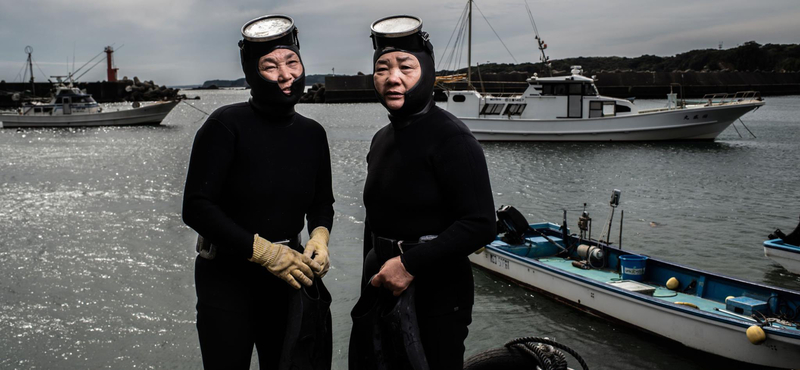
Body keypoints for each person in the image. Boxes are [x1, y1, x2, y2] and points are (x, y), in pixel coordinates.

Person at [182, 15, 334, 370]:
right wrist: (263, 252)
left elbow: (321, 203)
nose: (286, 75)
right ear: (252, 73)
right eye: (270, 66)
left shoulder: (313, 134)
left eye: (292, 62)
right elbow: (197, 208)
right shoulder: (224, 125)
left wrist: (320, 238)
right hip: (226, 279)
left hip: (289, 278)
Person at [358, 15, 496, 370]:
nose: (393, 78)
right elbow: (374, 221)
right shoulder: (382, 139)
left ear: (428, 71)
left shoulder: (453, 138)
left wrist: (408, 264)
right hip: (380, 284)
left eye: (406, 66)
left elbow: (481, 224)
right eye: (382, 68)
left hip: (437, 294)